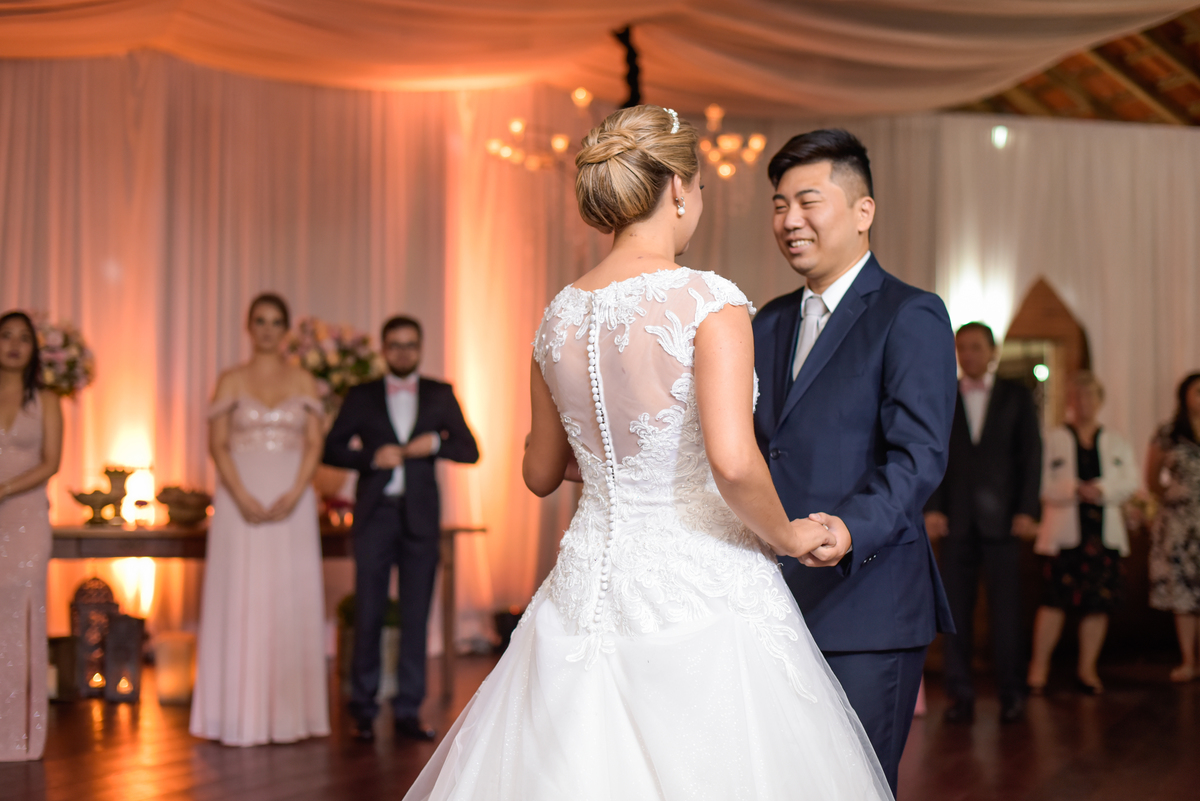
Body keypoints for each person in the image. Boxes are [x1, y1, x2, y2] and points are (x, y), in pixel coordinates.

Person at [403, 106, 892, 800]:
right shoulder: (709, 301)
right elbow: (732, 459)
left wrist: (606, 458)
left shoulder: (558, 316)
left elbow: (540, 472)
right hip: (700, 579)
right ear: (678, 190)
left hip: (585, 583)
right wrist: (786, 534)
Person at [752, 129, 957, 792]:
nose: (789, 221)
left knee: (853, 785)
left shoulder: (911, 313)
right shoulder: (765, 322)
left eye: (807, 201)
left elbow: (918, 454)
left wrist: (847, 528)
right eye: (779, 205)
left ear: (862, 211)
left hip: (865, 602)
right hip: (769, 601)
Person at [324, 316, 479, 743]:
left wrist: (435, 445)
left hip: (421, 520)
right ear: (383, 349)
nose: (403, 352)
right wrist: (372, 457)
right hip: (375, 517)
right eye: (395, 345)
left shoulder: (439, 393)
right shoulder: (362, 395)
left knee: (416, 615)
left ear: (421, 347)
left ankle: (409, 709)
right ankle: (363, 708)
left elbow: (470, 450)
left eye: (410, 345)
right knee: (369, 612)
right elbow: (331, 447)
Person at [190, 293, 331, 746]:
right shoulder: (230, 380)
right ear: (248, 328)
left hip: (293, 504)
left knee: (288, 596)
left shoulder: (304, 380)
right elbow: (218, 445)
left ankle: (293, 715)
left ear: (285, 329)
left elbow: (313, 445)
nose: (267, 329)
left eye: (275, 322)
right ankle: (233, 714)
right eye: (260, 321)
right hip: (238, 502)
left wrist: (295, 494)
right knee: (241, 595)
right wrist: (240, 496)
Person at [924, 321, 1041, 724]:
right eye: (962, 348)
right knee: (955, 613)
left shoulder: (1018, 396)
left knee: (1007, 613)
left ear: (992, 352)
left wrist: (1028, 510)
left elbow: (1031, 456)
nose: (969, 354)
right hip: (954, 522)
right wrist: (932, 507)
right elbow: (931, 456)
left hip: (1004, 523)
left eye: (976, 347)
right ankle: (960, 694)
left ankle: (1013, 692)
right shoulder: (943, 397)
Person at [1027, 371, 1137, 695]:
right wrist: (1074, 487)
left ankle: (1087, 669)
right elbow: (1039, 483)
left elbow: (1129, 481)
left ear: (1099, 401)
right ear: (1070, 402)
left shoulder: (1116, 440)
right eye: (1077, 397)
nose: (1084, 403)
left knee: (1097, 605)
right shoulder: (1053, 438)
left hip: (1103, 535)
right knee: (1054, 602)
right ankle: (1039, 669)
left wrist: (1101, 489)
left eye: (1090, 396)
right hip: (1064, 535)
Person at [0, 311, 62, 762]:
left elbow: (51, 462)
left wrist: (2, 490)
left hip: (26, 518)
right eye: (5, 336)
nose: (14, 345)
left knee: (23, 619)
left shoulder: (46, 400)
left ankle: (21, 735)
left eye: (24, 338)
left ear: (34, 350)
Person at [1146, 372, 1200, 682]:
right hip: (1180, 524)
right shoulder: (1169, 433)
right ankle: (1187, 659)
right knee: (1183, 593)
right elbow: (1152, 479)